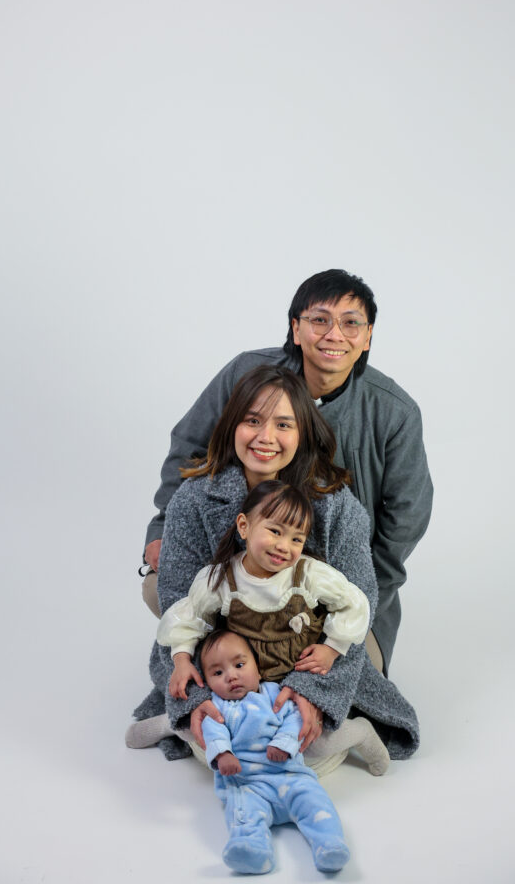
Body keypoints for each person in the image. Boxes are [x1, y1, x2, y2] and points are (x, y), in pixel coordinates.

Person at [142, 269, 432, 675]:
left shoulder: (394, 413)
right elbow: (189, 447)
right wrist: (163, 528)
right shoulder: (246, 374)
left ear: (368, 336)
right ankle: (230, 659)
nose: (334, 334)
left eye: (351, 323)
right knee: (165, 593)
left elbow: (408, 514)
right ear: (296, 328)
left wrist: (357, 597)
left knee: (345, 682)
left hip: (335, 570)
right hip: (237, 573)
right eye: (319, 320)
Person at [127, 364, 419, 767]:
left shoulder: (335, 505)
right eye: (252, 421)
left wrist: (313, 691)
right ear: (232, 425)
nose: (266, 437)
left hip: (307, 648)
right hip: (232, 657)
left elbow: (359, 600)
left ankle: (321, 715)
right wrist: (193, 697)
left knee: (309, 752)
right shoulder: (194, 499)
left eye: (283, 424)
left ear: (303, 433)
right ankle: (185, 720)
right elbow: (181, 603)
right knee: (218, 740)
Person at [160, 480, 371, 695]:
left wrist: (331, 649)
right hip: (242, 687)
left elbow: (353, 604)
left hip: (301, 681)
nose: (284, 546)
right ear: (244, 526)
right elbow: (190, 618)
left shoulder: (308, 574)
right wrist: (182, 661)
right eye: (275, 531)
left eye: (296, 539)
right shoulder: (222, 581)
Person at [200, 630, 351, 874]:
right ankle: (252, 849)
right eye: (217, 673)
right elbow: (212, 731)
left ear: (258, 669)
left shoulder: (275, 694)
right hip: (249, 783)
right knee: (243, 813)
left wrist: (284, 743)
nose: (231, 676)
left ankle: (329, 844)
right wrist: (223, 755)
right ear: (206, 681)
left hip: (290, 776)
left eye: (239, 665)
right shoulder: (217, 707)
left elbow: (295, 717)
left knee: (314, 801)